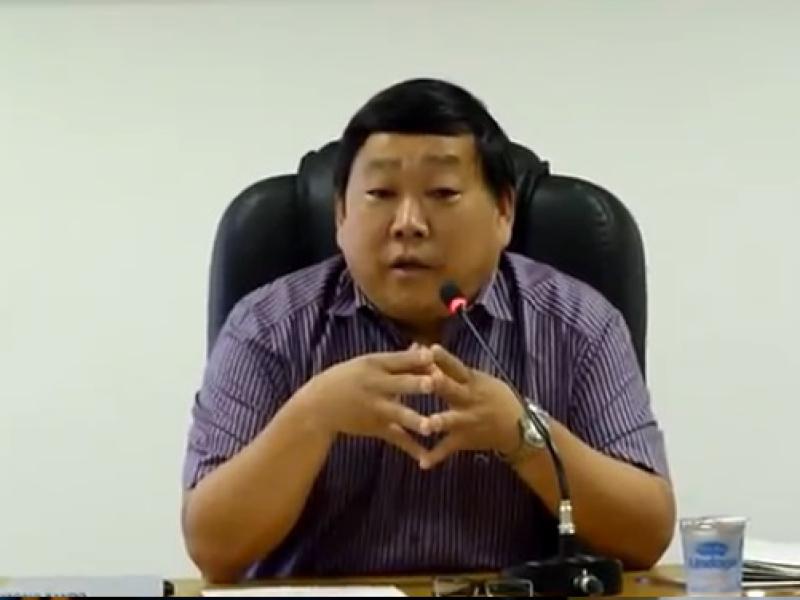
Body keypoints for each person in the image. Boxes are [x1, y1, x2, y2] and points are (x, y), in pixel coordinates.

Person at [180, 78, 675, 584]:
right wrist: (312, 417)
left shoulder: (578, 324)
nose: (408, 223)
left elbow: (645, 537)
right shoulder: (266, 326)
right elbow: (214, 550)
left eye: (442, 193)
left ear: (503, 212)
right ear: (341, 214)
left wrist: (521, 433)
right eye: (380, 194)